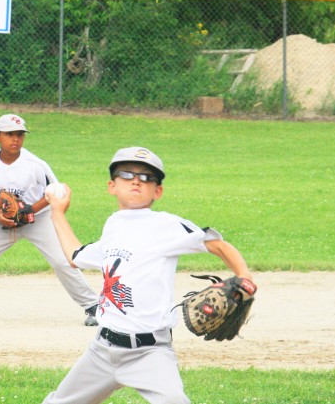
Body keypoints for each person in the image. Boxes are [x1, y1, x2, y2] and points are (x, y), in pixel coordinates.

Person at [42, 146, 255, 404]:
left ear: (158, 191)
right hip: (102, 350)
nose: (136, 180)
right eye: (126, 173)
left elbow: (218, 245)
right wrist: (57, 212)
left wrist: (245, 277)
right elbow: (76, 256)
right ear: (112, 186)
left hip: (149, 353)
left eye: (146, 177)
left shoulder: (166, 225)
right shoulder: (113, 225)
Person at [0, 114, 99, 326]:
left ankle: (94, 307)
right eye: (10, 134)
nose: (15, 139)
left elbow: (55, 192)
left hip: (39, 221)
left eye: (20, 134)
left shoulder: (35, 164)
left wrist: (29, 210)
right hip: (3, 223)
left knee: (63, 261)